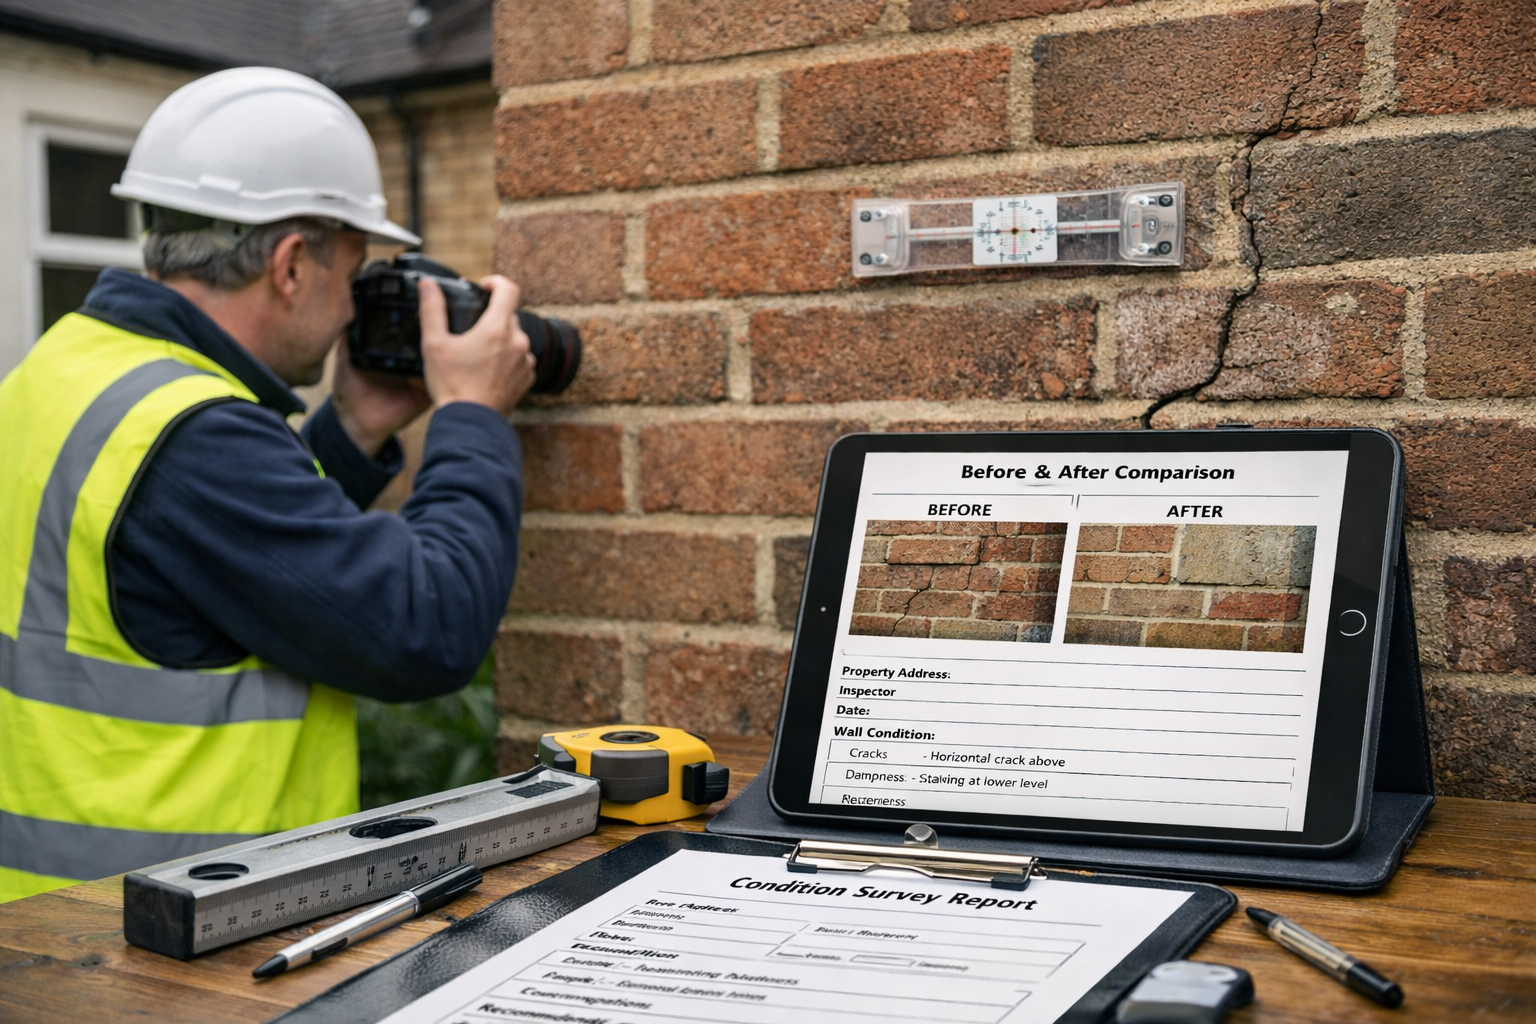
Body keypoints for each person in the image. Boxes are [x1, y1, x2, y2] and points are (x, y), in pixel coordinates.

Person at [0, 67, 534, 903]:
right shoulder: (195, 434)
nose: (355, 311)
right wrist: (471, 414)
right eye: (352, 271)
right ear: (290, 265)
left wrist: (353, 429)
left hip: (56, 917)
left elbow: (226, 569)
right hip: (169, 939)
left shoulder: (67, 371)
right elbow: (423, 629)